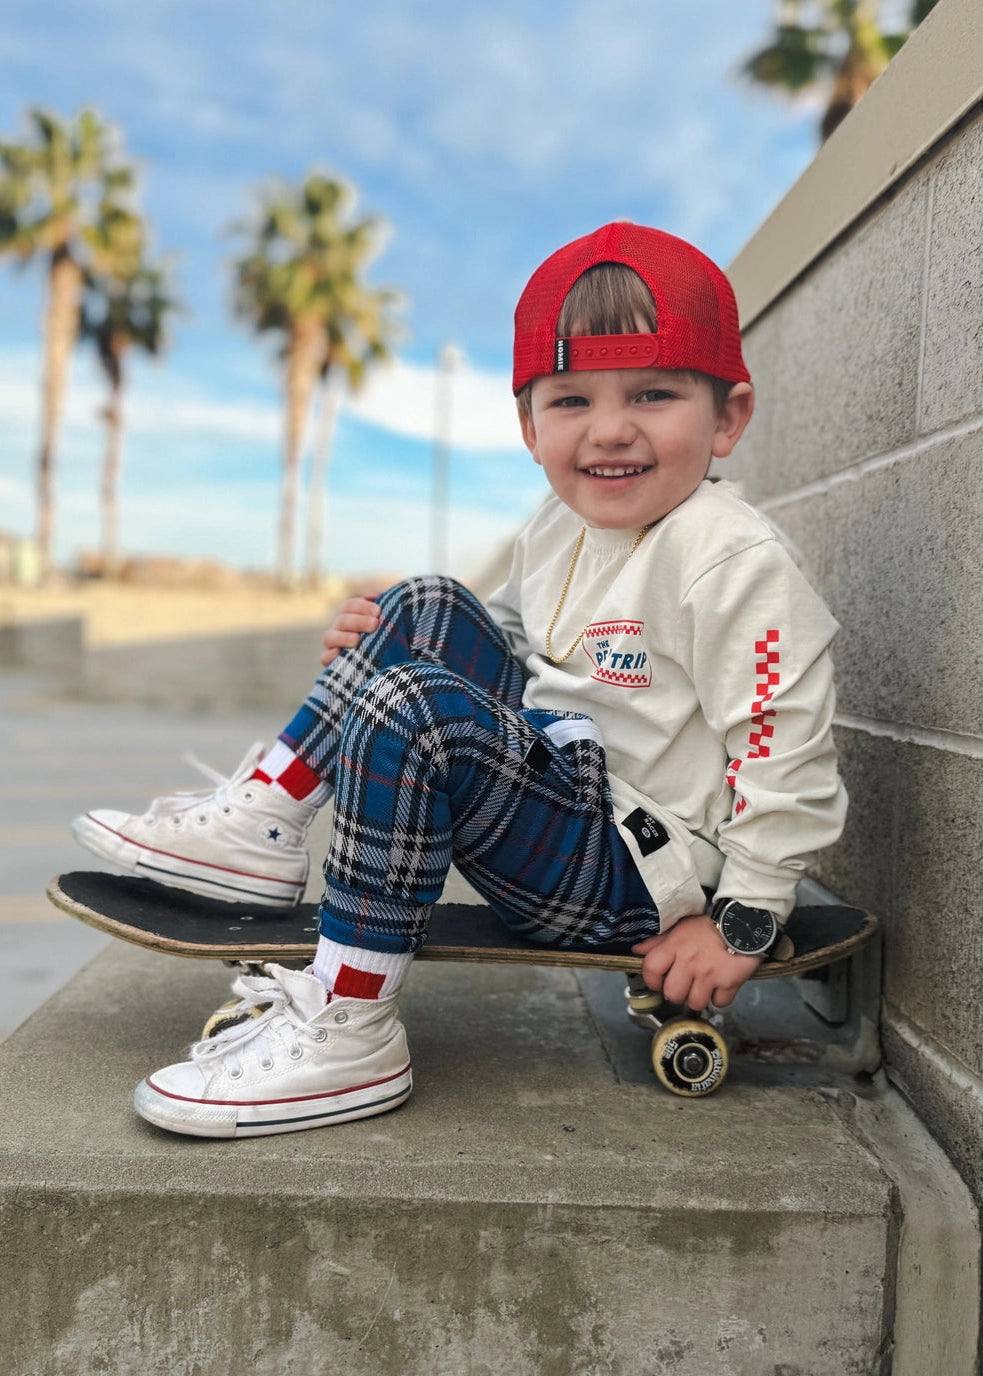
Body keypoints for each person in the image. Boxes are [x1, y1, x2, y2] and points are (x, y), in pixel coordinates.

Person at [72, 221, 847, 1139]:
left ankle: (351, 1020)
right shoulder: (561, 525)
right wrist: (386, 644)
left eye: (652, 393)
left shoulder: (731, 558)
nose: (609, 431)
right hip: (562, 789)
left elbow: (783, 741)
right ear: (528, 427)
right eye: (569, 402)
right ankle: (263, 822)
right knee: (425, 602)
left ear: (726, 417)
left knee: (417, 712)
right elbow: (511, 638)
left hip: (638, 870)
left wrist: (742, 920)